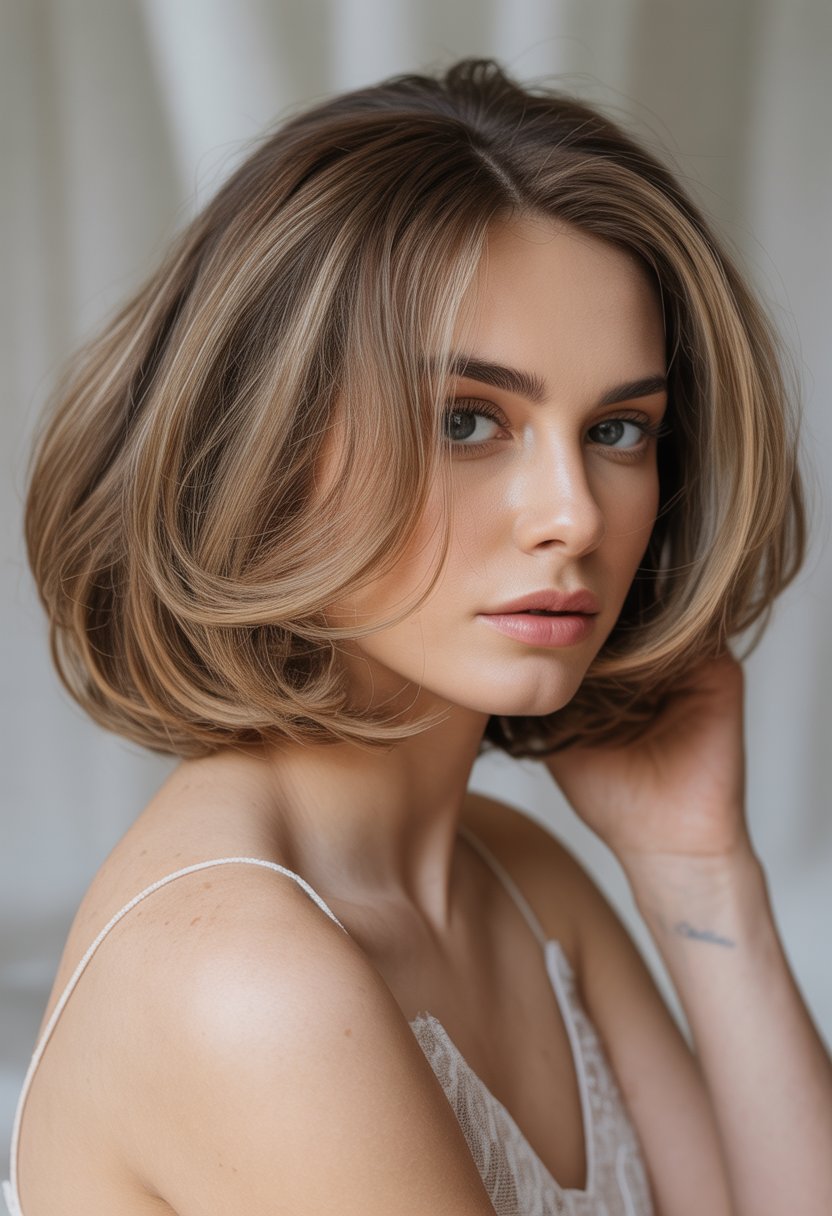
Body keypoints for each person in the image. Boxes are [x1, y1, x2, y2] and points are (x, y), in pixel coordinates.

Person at [4, 55, 830, 1216]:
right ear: (270, 443)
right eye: (468, 418)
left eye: (619, 430)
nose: (574, 515)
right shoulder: (244, 976)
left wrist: (701, 869)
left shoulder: (516, 877)